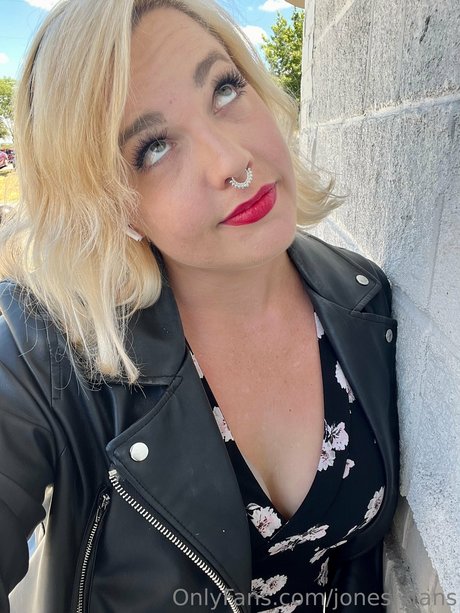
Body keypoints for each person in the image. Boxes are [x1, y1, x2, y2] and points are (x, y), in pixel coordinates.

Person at [0, 0, 399, 611]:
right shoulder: (45, 351)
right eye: (155, 147)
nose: (232, 162)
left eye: (224, 88)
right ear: (108, 204)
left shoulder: (363, 300)